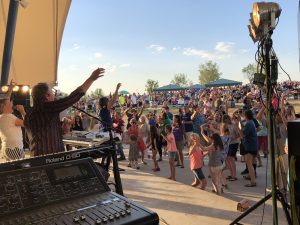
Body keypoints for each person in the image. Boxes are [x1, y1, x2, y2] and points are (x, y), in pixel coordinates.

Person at [24, 68, 105, 156]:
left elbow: (30, 138)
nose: (54, 96)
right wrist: (91, 79)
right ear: (47, 96)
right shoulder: (47, 107)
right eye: (52, 94)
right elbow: (73, 97)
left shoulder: (28, 114)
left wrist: (61, 130)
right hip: (51, 159)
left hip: (36, 159)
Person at [0, 81, 26, 161]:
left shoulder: (1, 117)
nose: (12, 104)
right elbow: (28, 124)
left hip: (7, 148)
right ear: (5, 107)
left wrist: (10, 89)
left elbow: (6, 100)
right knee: (19, 171)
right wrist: (22, 111)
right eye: (10, 103)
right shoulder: (9, 117)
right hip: (15, 148)